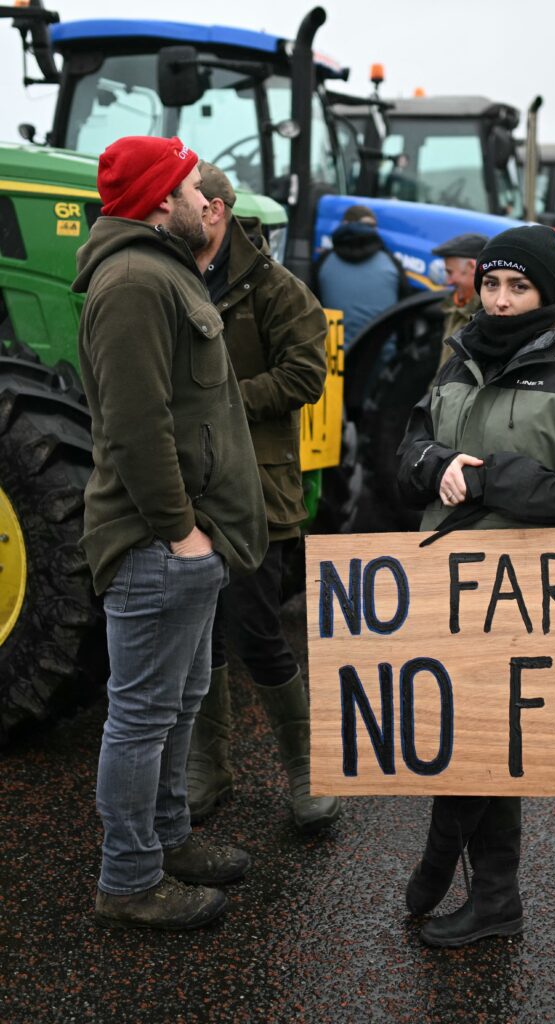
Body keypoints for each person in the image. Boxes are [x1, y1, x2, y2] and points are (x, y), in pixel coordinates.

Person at [396, 224, 555, 948]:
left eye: (517, 287)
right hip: (447, 578)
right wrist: (435, 463)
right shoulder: (459, 355)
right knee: (457, 730)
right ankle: (469, 880)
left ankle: (474, 883)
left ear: (546, 292)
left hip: (528, 590)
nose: (498, 300)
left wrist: (489, 477)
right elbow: (408, 449)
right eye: (491, 284)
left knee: (494, 737)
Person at [74, 136, 269, 930]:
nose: (204, 200)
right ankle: (128, 881)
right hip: (158, 545)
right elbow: (135, 425)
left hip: (186, 540)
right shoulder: (132, 281)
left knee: (179, 703)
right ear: (161, 199)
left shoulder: (164, 269)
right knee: (141, 718)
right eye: (190, 188)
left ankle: (166, 841)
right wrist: (180, 531)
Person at [187, 162, 340, 831]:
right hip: (188, 485)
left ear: (214, 210)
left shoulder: (278, 290)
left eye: (183, 199)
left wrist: (218, 402)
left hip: (257, 486)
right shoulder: (170, 276)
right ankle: (208, 765)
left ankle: (307, 768)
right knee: (197, 632)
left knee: (256, 630)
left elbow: (304, 376)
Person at [316, 204, 410, 343]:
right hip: (379, 353)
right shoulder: (391, 263)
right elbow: (405, 314)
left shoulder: (324, 261)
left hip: (334, 353)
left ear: (344, 225)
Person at [431, 232, 488, 373]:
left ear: (472, 267)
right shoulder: (454, 307)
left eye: (450, 272)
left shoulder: (488, 317)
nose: (448, 281)